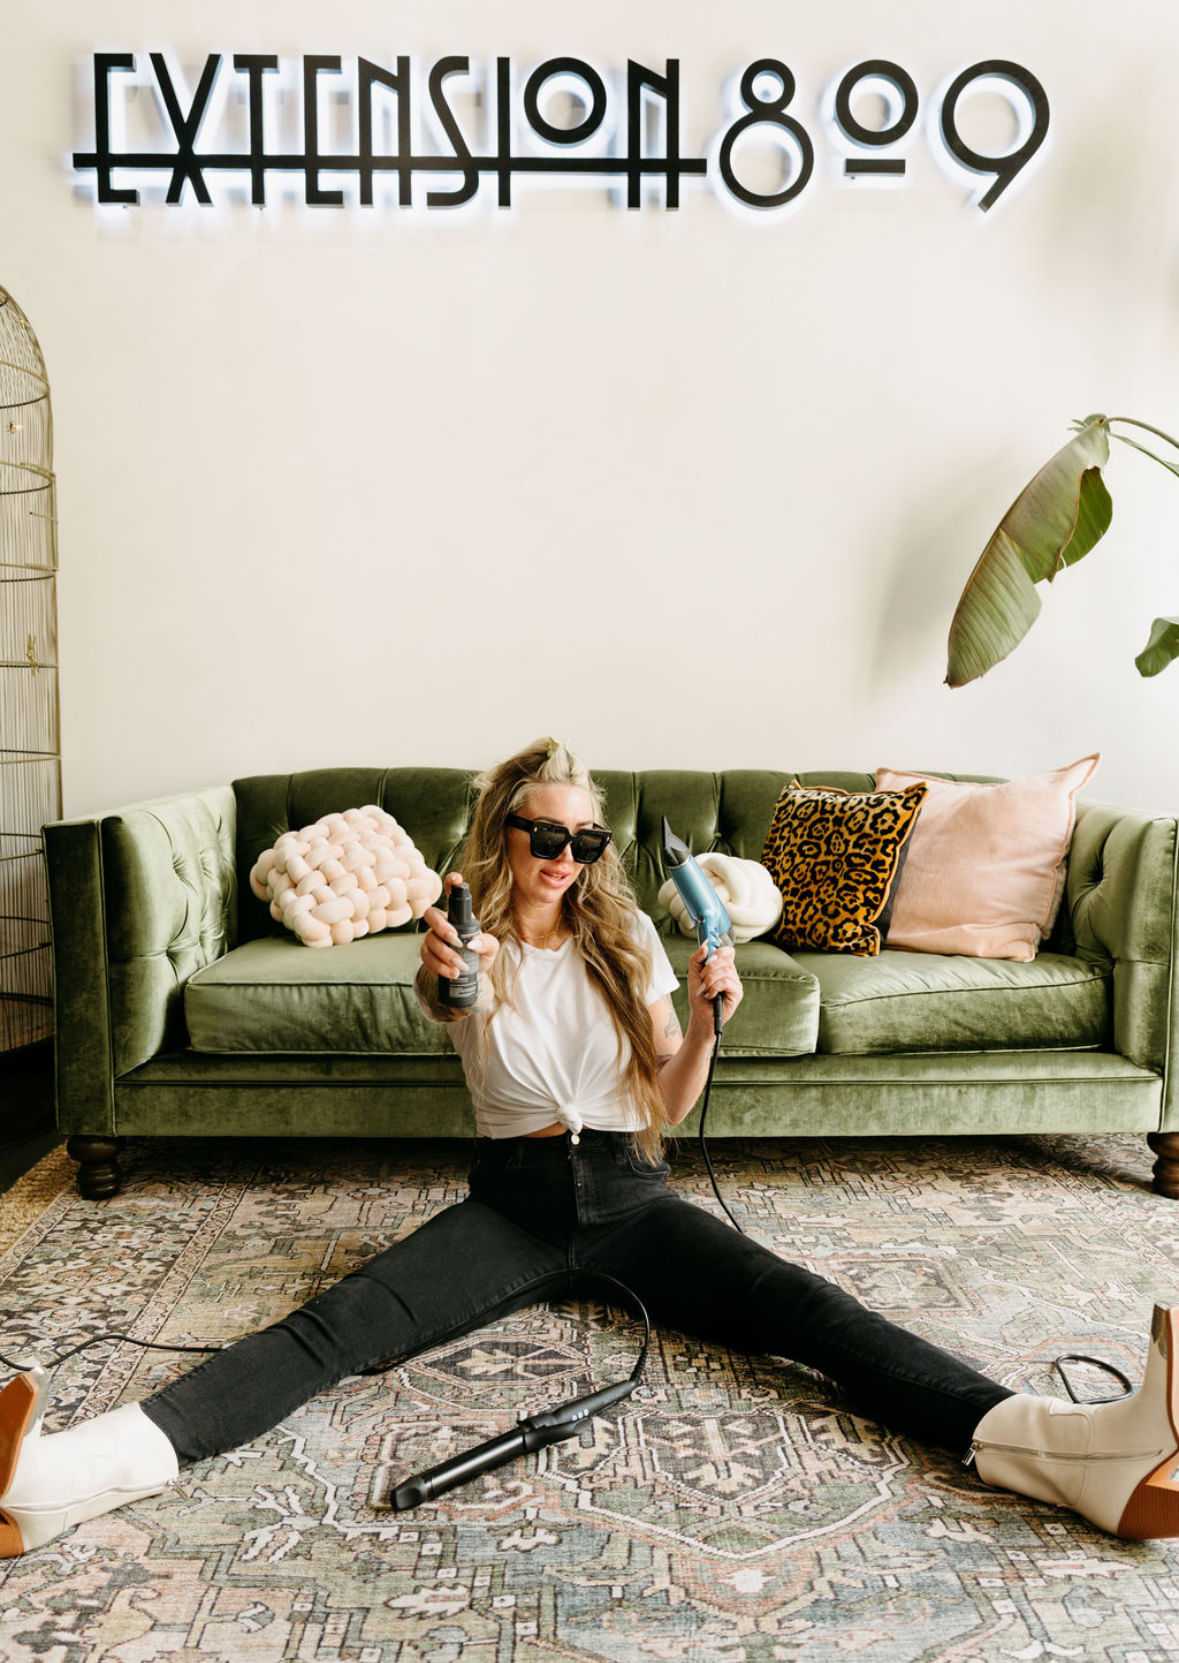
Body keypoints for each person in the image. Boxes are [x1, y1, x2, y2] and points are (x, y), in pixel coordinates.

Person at [2, 735, 1179, 1557]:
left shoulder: (628, 945)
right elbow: (449, 999)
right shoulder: (464, 941)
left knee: (814, 1316)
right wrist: (447, 973)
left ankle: (1068, 1452)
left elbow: (665, 1098)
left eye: (585, 838)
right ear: (504, 835)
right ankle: (62, 1479)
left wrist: (715, 1019)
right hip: (511, 1203)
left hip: (630, 1194)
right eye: (544, 835)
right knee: (334, 1330)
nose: (565, 855)